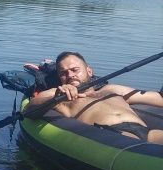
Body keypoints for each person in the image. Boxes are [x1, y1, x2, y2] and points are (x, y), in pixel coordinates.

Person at [30, 51, 163, 144]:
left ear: (89, 71)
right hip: (114, 134)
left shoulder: (111, 89)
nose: (70, 75)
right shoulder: (58, 94)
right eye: (63, 73)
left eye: (75, 70)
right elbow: (30, 109)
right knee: (140, 147)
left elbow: (158, 99)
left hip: (146, 132)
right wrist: (55, 98)